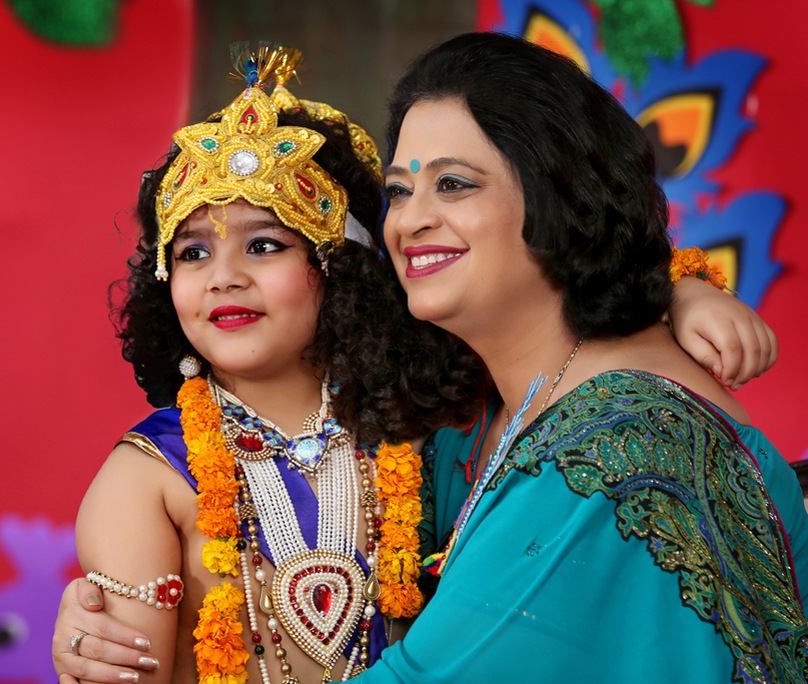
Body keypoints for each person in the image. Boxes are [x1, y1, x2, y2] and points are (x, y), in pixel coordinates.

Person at [54, 39, 795, 684]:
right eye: (401, 192)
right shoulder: (473, 408)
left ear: (561, 197)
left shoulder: (616, 444)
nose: (411, 219)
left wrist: (677, 286)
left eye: (455, 183)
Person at [67, 47, 483, 684]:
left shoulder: (421, 422)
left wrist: (681, 293)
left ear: (340, 268)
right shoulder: (144, 481)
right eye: (193, 253)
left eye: (264, 245)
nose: (223, 278)